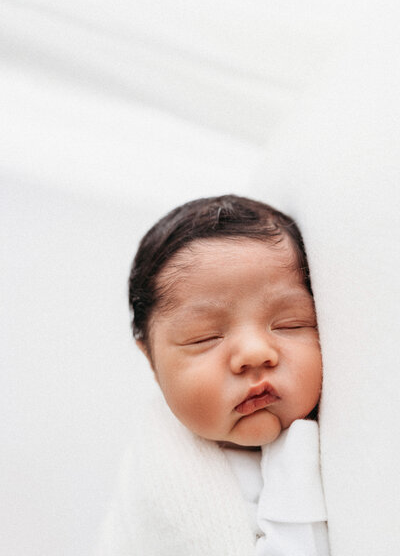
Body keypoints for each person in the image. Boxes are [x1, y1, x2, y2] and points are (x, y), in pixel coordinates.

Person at [97, 195, 329, 556]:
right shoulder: (156, 479)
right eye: (205, 338)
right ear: (152, 364)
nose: (254, 353)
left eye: (289, 324)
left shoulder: (341, 448)